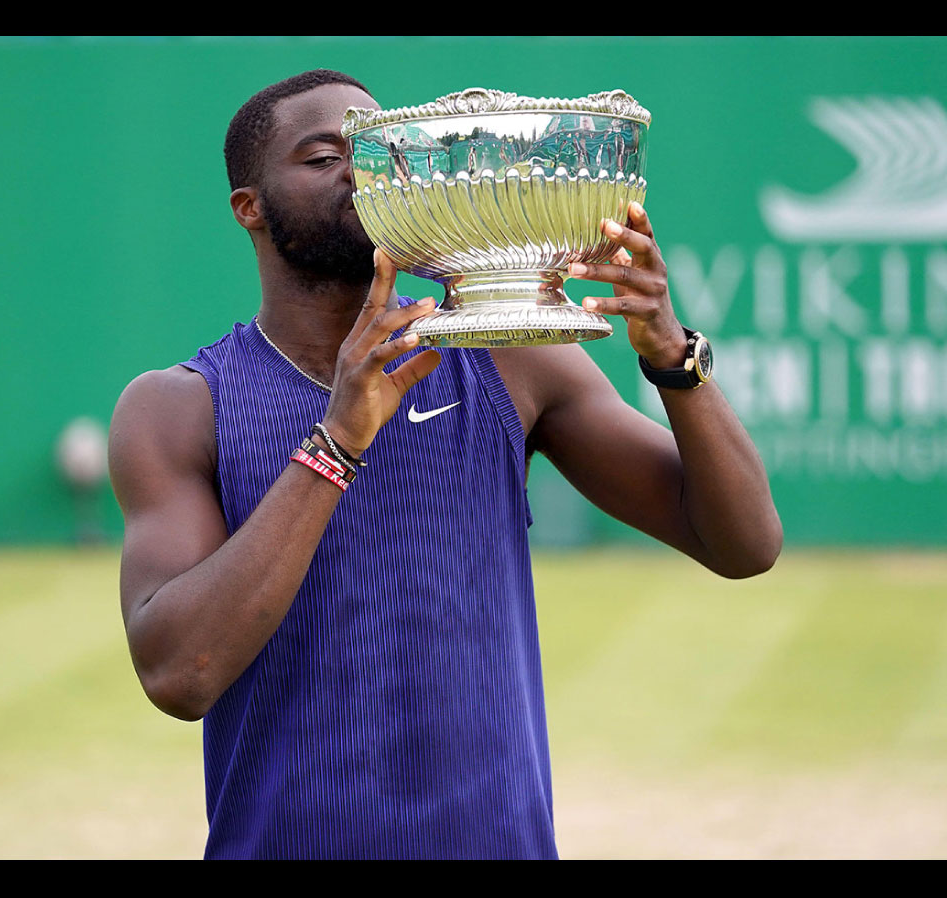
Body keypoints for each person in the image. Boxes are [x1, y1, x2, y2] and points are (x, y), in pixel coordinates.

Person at [108, 69, 782, 860]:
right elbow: (180, 673)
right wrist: (337, 444)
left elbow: (743, 544)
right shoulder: (178, 407)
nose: (360, 173)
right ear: (249, 207)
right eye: (323, 158)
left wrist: (673, 357)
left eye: (375, 151)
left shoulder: (511, 358)